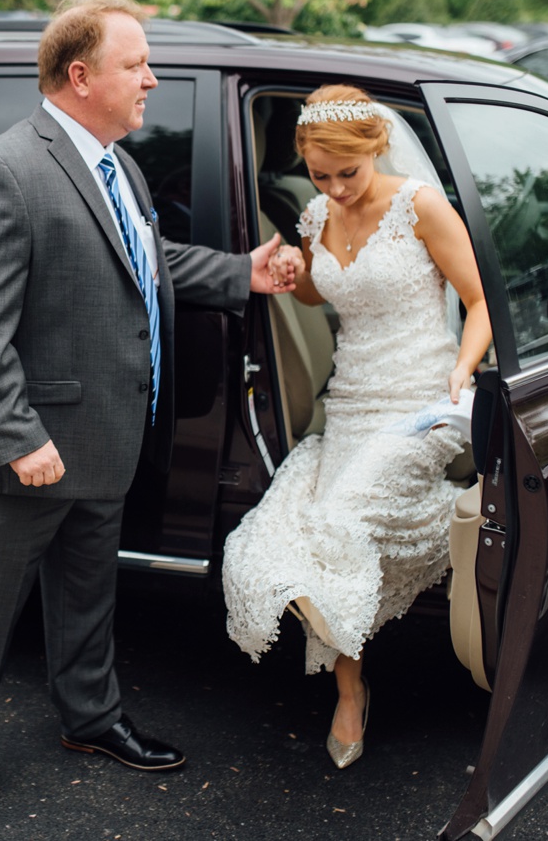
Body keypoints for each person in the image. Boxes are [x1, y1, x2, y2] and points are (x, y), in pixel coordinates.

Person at [0, 0, 302, 825]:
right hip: (29, 451)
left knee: (88, 597)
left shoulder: (116, 163)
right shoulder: (4, 168)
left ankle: (91, 720)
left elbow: (146, 258)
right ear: (79, 75)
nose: (152, 79)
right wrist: (19, 435)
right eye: (136, 65)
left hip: (105, 438)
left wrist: (242, 274)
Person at [222, 84, 492, 770]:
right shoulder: (315, 216)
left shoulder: (419, 206)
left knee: (338, 521)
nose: (336, 189)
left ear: (376, 150)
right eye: (320, 175)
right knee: (287, 543)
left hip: (421, 405)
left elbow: (479, 299)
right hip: (350, 404)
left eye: (349, 173)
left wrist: (462, 372)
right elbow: (319, 289)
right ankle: (350, 688)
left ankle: (441, 532)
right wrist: (292, 270)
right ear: (305, 164)